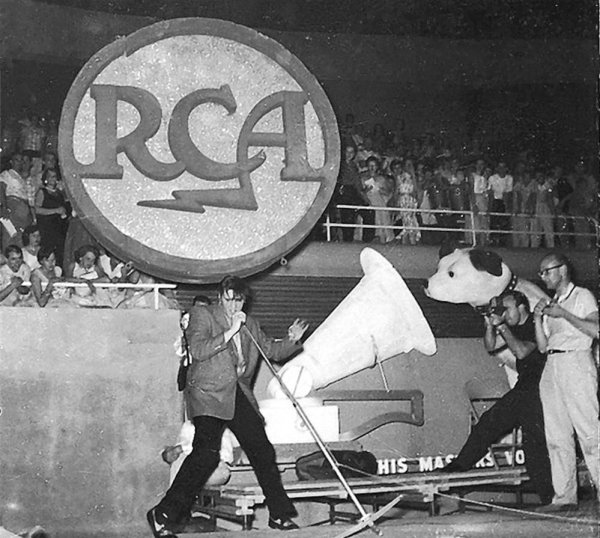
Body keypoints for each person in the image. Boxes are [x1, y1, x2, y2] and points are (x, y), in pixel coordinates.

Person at [147, 276, 309, 537]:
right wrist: (231, 331)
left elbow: (272, 351)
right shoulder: (203, 315)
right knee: (206, 453)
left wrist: (292, 340)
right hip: (208, 392)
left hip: (236, 393)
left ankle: (279, 515)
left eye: (239, 300)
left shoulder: (251, 325)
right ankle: (163, 513)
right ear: (221, 296)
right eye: (230, 299)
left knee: (262, 450)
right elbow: (199, 350)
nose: (234, 306)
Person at [443, 291, 554, 505]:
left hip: (542, 389)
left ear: (522, 308)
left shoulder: (537, 323)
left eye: (507, 309)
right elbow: (490, 346)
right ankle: (458, 467)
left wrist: (501, 326)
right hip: (525, 389)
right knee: (488, 422)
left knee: (534, 446)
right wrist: (489, 325)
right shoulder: (512, 326)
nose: (505, 315)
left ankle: (548, 499)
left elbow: (522, 352)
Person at [533, 253, 599, 512]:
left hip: (577, 362)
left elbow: (595, 330)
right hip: (552, 365)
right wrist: (539, 318)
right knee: (557, 436)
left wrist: (564, 314)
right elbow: (541, 347)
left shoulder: (582, 296)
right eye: (541, 273)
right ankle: (564, 497)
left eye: (546, 271)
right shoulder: (552, 303)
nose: (543, 277)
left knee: (589, 431)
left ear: (562, 271)